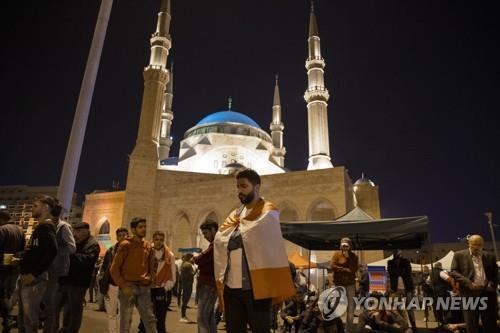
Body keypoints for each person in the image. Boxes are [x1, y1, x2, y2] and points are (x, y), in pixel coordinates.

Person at [214, 168, 295, 333]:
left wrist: (235, 237)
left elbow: (249, 235)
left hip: (256, 287)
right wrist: (236, 237)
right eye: (238, 187)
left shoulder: (268, 210)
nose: (240, 191)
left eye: (244, 186)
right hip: (231, 287)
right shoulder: (235, 214)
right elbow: (220, 238)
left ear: (256, 187)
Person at [110, 217, 157, 333]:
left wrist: (151, 280)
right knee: (125, 321)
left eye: (145, 227)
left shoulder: (148, 246)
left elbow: (152, 266)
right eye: (140, 227)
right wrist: (123, 286)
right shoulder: (125, 245)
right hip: (128, 287)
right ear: (133, 229)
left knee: (150, 319)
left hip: (144, 288)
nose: (144, 229)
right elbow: (114, 269)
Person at [18, 196, 58, 333]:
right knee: (28, 316)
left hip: (34, 279)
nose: (32, 208)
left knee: (30, 318)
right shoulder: (41, 227)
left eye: (35, 206)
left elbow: (52, 250)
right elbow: (37, 251)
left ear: (46, 207)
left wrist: (34, 274)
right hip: (29, 277)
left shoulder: (46, 227)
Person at [449, 234, 498, 333]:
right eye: (474, 245)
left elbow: (496, 273)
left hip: (487, 294)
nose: (476, 247)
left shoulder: (490, 256)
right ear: (468, 244)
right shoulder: (459, 255)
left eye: (479, 245)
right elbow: (454, 272)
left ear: (483, 244)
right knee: (472, 325)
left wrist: (492, 284)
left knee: (490, 325)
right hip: (469, 294)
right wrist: (468, 283)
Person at [58, 222, 100, 333]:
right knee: (65, 309)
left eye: (79, 231)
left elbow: (86, 261)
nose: (75, 233)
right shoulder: (76, 242)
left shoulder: (92, 244)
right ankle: (64, 329)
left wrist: (69, 254)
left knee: (74, 310)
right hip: (66, 280)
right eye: (74, 231)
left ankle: (71, 330)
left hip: (78, 283)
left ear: (87, 231)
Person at [43, 203, 76, 333]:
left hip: (56, 271)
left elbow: (72, 248)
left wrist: (55, 250)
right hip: (46, 269)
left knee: (52, 306)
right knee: (47, 304)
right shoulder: (47, 226)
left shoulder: (63, 227)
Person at [138, 231, 175, 333]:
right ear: (153, 240)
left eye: (161, 240)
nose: (159, 242)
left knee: (160, 318)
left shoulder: (169, 255)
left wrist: (166, 288)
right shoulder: (146, 253)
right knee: (145, 317)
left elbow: (172, 276)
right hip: (148, 288)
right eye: (157, 239)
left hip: (161, 289)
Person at [99, 227, 129, 333]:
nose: (122, 237)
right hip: (111, 285)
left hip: (125, 286)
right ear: (116, 237)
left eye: (124, 235)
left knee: (123, 313)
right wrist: (103, 284)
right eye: (120, 235)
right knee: (111, 313)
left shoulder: (132, 252)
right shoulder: (111, 250)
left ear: (128, 236)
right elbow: (104, 268)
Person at [0, 209, 25, 332]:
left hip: (1, 267)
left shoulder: (2, 230)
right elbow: (22, 249)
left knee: (1, 295)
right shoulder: (19, 230)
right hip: (13, 266)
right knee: (6, 294)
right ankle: (7, 319)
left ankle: (7, 319)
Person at [194, 219, 219, 333]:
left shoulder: (216, 244)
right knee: (209, 317)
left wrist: (197, 258)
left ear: (213, 230)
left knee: (202, 318)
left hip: (208, 285)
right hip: (210, 284)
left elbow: (200, 259)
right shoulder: (214, 244)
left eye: (206, 233)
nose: (204, 236)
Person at [330, 237, 359, 332]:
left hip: (350, 284)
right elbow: (332, 266)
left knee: (351, 309)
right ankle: (336, 328)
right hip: (339, 283)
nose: (344, 248)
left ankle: (349, 330)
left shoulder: (354, 256)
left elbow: (354, 269)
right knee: (336, 307)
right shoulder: (336, 255)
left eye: (346, 246)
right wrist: (346, 270)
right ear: (340, 246)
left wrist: (348, 258)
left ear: (349, 246)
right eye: (343, 246)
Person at [387, 249, 417, 331]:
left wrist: (397, 272)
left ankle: (414, 326)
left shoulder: (406, 261)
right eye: (396, 252)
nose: (397, 254)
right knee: (398, 308)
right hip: (396, 289)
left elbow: (408, 271)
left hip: (407, 288)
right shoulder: (390, 262)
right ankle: (402, 326)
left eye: (398, 252)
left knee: (409, 308)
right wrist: (401, 271)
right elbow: (391, 272)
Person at [179, 253, 195, 322]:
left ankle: (183, 316)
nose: (193, 259)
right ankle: (183, 316)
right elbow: (192, 273)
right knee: (185, 300)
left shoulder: (184, 264)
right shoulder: (188, 265)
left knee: (184, 300)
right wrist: (196, 270)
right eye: (192, 258)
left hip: (185, 283)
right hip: (188, 284)